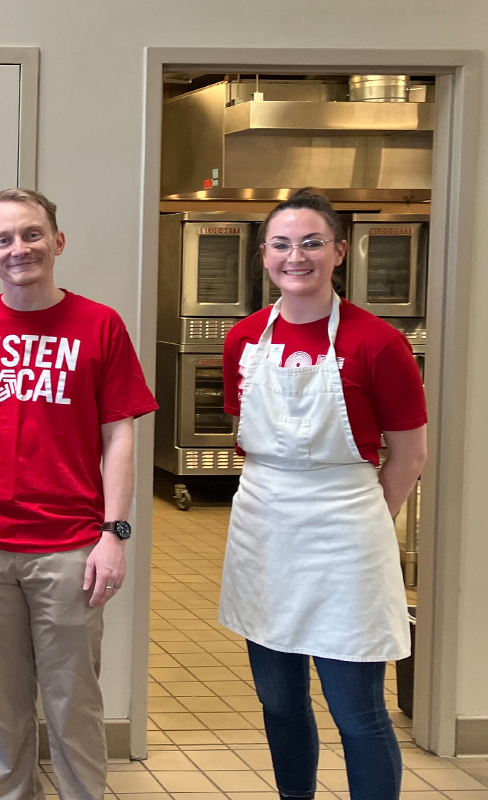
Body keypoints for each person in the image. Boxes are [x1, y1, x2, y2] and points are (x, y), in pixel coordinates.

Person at [0, 188, 157, 800]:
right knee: (1, 706)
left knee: (73, 703)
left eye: (31, 234)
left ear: (58, 241)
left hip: (71, 551)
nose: (19, 248)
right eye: (4, 239)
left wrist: (115, 535)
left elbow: (120, 439)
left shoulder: (99, 326)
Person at [219, 189, 428, 800]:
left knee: (357, 710)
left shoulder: (378, 343)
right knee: (279, 701)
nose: (296, 256)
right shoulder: (244, 342)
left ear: (339, 251)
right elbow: (249, 437)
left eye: (312, 242)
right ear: (264, 256)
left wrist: (359, 522)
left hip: (346, 534)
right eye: (282, 244)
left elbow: (409, 454)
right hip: (264, 530)